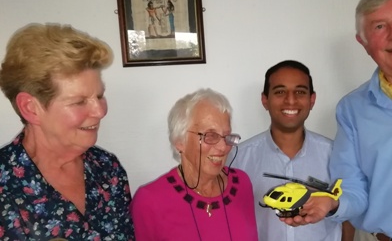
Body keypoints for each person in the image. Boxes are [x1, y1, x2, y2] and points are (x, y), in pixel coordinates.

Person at [284, 0, 392, 240]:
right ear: (363, 41)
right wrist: (332, 203)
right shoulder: (352, 109)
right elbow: (352, 189)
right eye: (379, 26)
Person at [0, 23, 134, 240]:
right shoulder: (4, 186)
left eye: (99, 96)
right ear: (30, 108)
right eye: (79, 101)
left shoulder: (108, 170)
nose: (100, 111)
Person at [232, 60, 353, 241]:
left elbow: (349, 215)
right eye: (280, 92)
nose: (290, 100)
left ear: (312, 100)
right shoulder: (237, 158)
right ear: (265, 100)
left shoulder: (337, 154)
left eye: (300, 92)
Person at [131, 88, 258, 241]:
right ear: (180, 141)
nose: (223, 147)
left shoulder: (241, 184)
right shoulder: (150, 200)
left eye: (227, 136)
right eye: (210, 136)